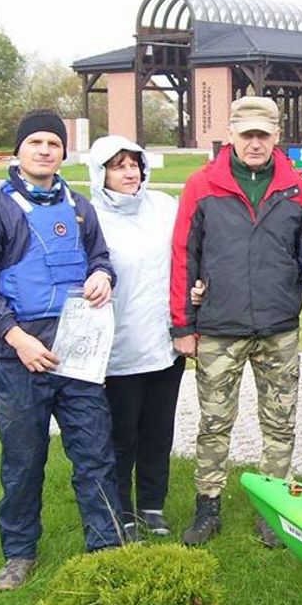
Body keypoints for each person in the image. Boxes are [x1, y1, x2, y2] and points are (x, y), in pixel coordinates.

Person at [0, 109, 122, 591]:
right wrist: (17, 338)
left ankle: (105, 551)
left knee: (95, 454)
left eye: (54, 143)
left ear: (63, 152)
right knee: (23, 461)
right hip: (20, 358)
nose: (45, 150)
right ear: (19, 151)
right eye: (36, 143)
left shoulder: (79, 207)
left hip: (78, 354)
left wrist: (102, 275)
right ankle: (19, 553)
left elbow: (100, 256)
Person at [171, 95, 302, 548]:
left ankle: (273, 509)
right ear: (231, 135)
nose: (255, 143)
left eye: (263, 134)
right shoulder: (202, 186)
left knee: (281, 422)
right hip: (218, 327)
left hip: (278, 327)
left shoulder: (298, 189)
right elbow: (183, 255)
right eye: (246, 134)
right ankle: (207, 505)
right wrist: (182, 324)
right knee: (214, 423)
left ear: (277, 137)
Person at [87, 136, 186, 538]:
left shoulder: (163, 206)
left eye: (134, 164)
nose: (129, 173)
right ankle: (121, 509)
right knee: (120, 435)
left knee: (157, 431)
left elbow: (183, 257)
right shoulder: (89, 216)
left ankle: (151, 504)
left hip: (163, 343)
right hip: (118, 347)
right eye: (118, 166)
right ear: (101, 173)